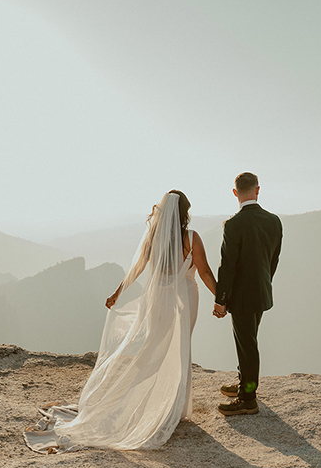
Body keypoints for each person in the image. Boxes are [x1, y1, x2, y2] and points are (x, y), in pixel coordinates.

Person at [24, 190, 217, 452]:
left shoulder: (154, 239)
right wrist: (221, 299)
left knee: (154, 347)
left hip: (158, 298)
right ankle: (170, 406)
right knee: (179, 348)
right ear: (185, 212)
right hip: (185, 299)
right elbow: (203, 271)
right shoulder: (191, 238)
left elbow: (137, 268)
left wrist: (118, 292)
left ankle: (159, 401)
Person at [213, 172, 283, 416]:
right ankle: (245, 383)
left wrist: (220, 300)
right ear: (257, 190)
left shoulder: (233, 225)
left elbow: (227, 265)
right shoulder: (274, 221)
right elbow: (273, 259)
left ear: (235, 193)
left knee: (247, 344)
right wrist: (264, 283)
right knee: (248, 341)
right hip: (262, 291)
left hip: (241, 296)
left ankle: (248, 398)